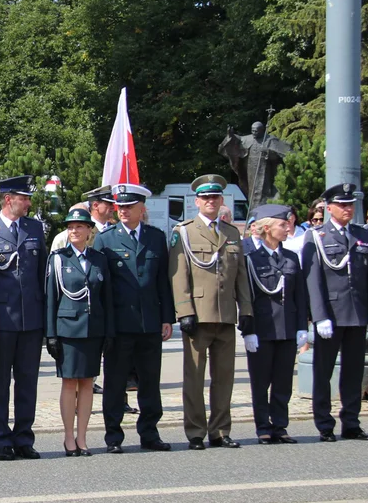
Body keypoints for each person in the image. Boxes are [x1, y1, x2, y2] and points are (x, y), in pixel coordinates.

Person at [169, 174, 254, 450]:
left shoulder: (231, 233)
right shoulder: (184, 231)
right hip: (198, 314)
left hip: (226, 314)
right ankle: (195, 431)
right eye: (205, 198)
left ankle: (220, 430)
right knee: (194, 377)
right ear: (196, 202)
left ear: (221, 201)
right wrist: (184, 311)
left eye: (215, 197)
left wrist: (247, 310)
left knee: (225, 376)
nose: (210, 202)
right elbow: (179, 274)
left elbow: (240, 275)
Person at [93, 184, 174, 454]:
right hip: (119, 324)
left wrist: (167, 317)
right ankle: (113, 436)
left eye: (129, 207)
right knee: (115, 383)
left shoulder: (155, 237)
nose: (124, 211)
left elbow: (163, 281)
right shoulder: (106, 239)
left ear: (142, 209)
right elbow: (101, 287)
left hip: (149, 322)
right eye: (120, 207)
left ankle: (149, 433)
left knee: (150, 382)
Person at [0, 176, 47, 461]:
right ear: (8, 200)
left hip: (31, 320)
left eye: (28, 198)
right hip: (1, 321)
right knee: (0, 384)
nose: (28, 203)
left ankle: (24, 438)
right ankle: (2, 440)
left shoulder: (34, 228)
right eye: (23, 198)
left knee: (28, 382)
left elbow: (41, 275)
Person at [303, 183, 368, 442]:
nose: (348, 209)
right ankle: (324, 423)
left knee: (353, 372)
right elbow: (312, 280)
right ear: (329, 208)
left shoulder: (363, 234)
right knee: (323, 372)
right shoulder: (317, 235)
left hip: (357, 313)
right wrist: (319, 315)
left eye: (350, 205)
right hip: (331, 314)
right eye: (342, 205)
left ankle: (351, 422)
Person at [46, 208, 113, 456]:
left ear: (89, 231)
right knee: (69, 383)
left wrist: (109, 332)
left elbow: (106, 298)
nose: (74, 230)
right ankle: (68, 438)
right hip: (68, 330)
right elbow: (51, 298)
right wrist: (51, 334)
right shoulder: (58, 258)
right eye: (70, 226)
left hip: (93, 329)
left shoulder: (99, 259)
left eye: (80, 227)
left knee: (87, 383)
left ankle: (82, 437)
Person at [243, 205, 308, 444]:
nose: (287, 228)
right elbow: (246, 296)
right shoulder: (250, 258)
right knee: (260, 382)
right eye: (282, 225)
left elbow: (299, 295)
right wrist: (248, 329)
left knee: (283, 382)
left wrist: (302, 326)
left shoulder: (290, 257)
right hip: (262, 329)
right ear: (267, 228)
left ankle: (280, 425)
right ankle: (263, 426)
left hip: (288, 327)